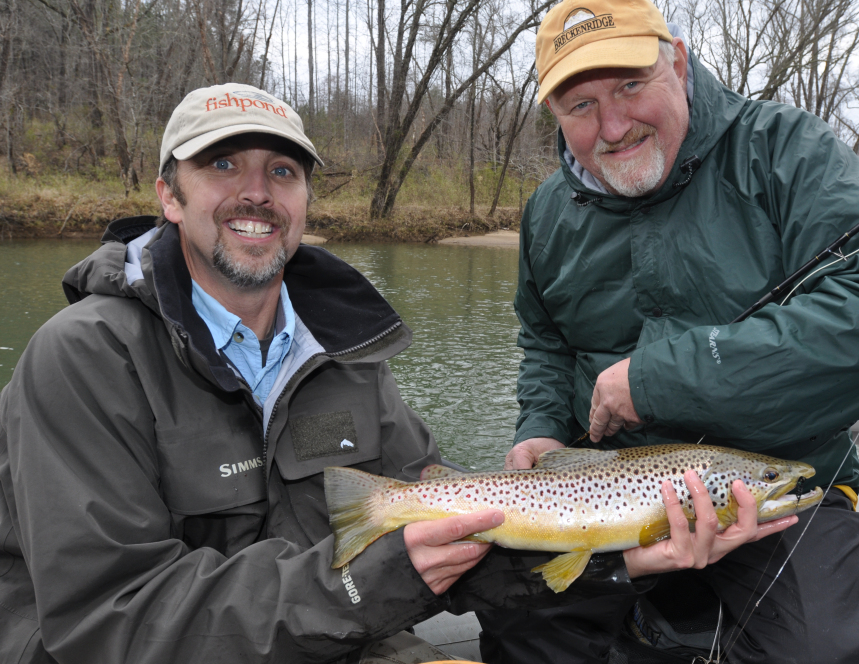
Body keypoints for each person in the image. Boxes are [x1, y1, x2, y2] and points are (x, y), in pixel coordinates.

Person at [0, 82, 788, 664]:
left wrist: (621, 560)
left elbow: (453, 544)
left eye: (282, 172)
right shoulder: (85, 358)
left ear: (306, 200)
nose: (255, 192)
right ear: (169, 196)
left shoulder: (349, 359)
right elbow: (109, 622)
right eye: (223, 165)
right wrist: (365, 582)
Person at [481, 1, 859, 663]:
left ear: (679, 62)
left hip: (781, 488)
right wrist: (541, 428)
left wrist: (659, 378)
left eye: (630, 86)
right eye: (579, 105)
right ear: (553, 114)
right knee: (515, 626)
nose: (611, 125)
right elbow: (546, 344)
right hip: (600, 493)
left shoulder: (786, 150)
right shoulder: (546, 212)